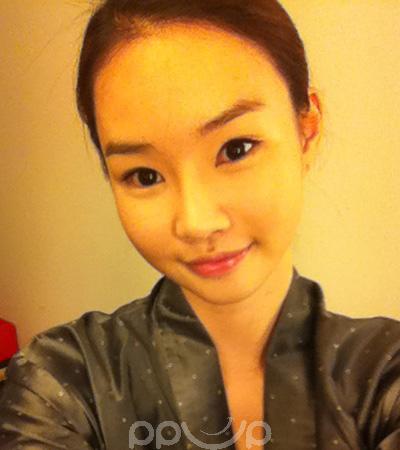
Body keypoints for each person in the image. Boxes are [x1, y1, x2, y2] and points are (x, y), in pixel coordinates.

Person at [0, 0, 399, 449]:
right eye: (144, 176)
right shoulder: (64, 380)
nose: (196, 222)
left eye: (236, 149)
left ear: (306, 131)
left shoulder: (384, 373)